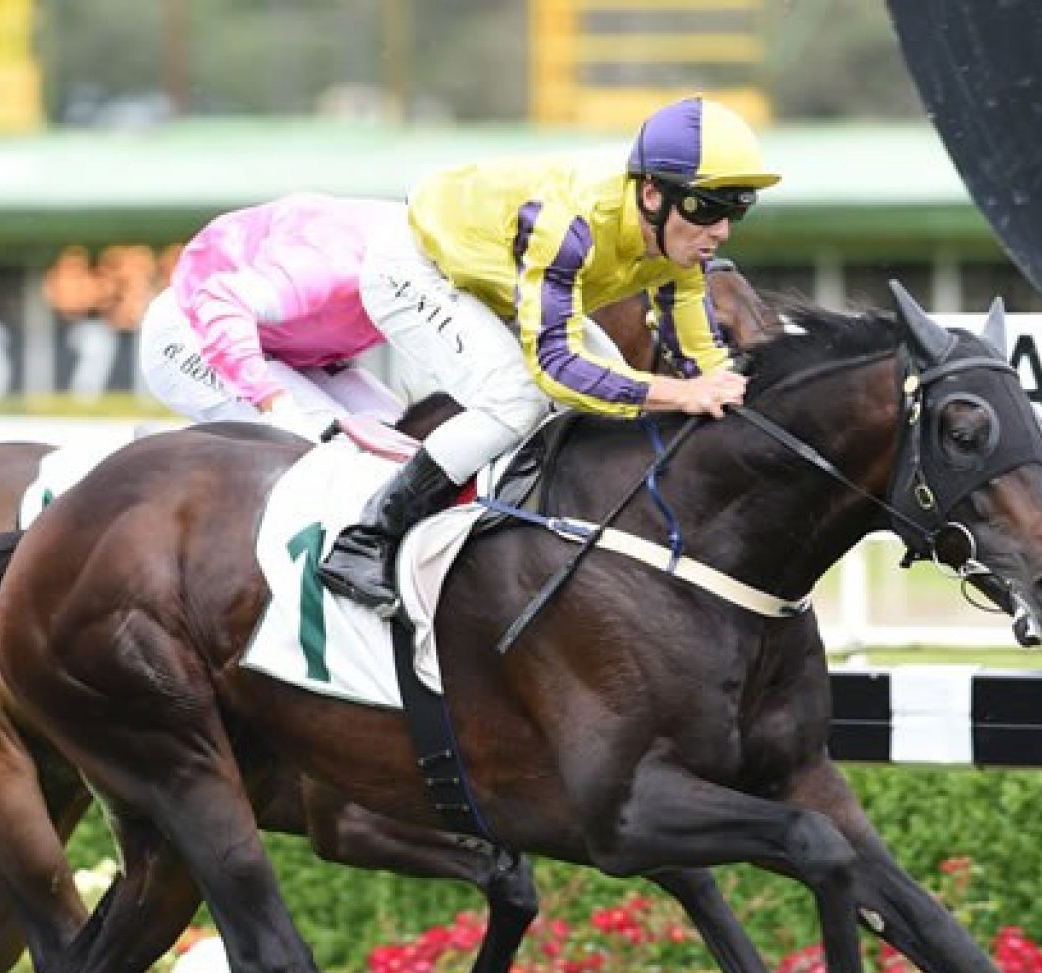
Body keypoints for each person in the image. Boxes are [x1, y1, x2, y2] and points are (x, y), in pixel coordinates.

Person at [318, 95, 779, 614]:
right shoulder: (574, 220)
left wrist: (744, 402)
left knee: (605, 390)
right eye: (708, 208)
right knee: (517, 399)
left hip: (503, 280)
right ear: (652, 195)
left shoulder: (679, 241)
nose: (721, 230)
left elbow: (703, 360)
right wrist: (679, 393)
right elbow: (557, 369)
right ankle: (368, 536)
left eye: (736, 208)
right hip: (419, 266)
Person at [138, 193, 413, 440]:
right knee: (325, 438)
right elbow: (221, 302)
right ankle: (178, 459)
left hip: (285, 350)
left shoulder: (429, 269)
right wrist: (273, 403)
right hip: (197, 326)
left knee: (402, 435)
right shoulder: (335, 264)